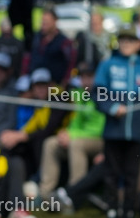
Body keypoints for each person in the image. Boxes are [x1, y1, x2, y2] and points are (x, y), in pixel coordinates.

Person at [94, 28, 140, 218]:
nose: (126, 44)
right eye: (122, 40)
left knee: (132, 173)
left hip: (137, 131)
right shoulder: (108, 65)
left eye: (130, 40)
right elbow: (97, 93)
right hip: (114, 130)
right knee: (112, 173)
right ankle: (111, 212)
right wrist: (112, 107)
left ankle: (129, 214)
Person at [37, 63, 104, 200]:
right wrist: (65, 133)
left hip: (100, 140)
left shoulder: (104, 94)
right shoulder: (79, 94)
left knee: (76, 144)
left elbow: (99, 127)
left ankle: (73, 195)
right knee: (51, 143)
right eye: (83, 77)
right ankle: (45, 194)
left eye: (90, 76)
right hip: (80, 137)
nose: (86, 81)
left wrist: (72, 136)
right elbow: (76, 121)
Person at [26, 8, 74, 87]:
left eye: (47, 22)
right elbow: (28, 57)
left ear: (55, 21)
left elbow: (71, 62)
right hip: (34, 84)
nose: (44, 24)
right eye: (43, 21)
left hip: (55, 86)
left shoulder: (64, 42)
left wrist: (65, 81)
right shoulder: (36, 37)